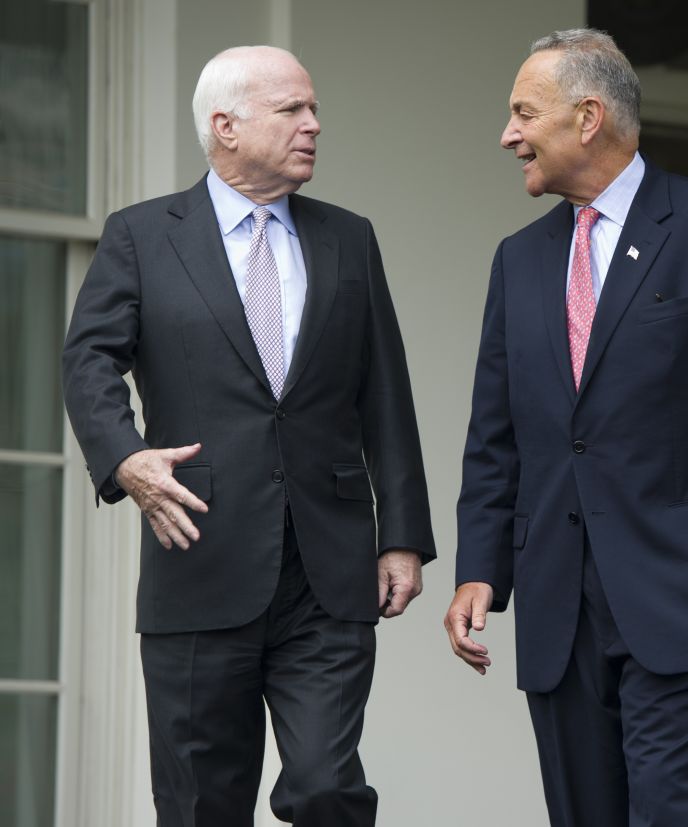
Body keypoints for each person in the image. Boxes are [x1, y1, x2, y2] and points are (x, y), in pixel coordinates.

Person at [444, 28, 688, 827]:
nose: (507, 134)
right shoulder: (517, 261)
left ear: (588, 118)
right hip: (559, 599)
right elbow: (496, 436)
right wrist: (480, 568)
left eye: (523, 113)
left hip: (681, 591)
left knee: (671, 812)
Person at [61, 46, 434, 826]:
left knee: (328, 788)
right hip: (198, 560)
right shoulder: (141, 236)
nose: (314, 124)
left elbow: (386, 396)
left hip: (327, 575)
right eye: (292, 109)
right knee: (201, 807)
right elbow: (88, 358)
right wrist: (124, 457)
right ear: (225, 127)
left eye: (313, 107)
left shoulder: (350, 239)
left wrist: (402, 536)